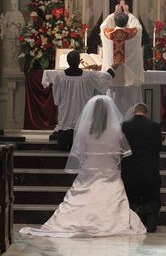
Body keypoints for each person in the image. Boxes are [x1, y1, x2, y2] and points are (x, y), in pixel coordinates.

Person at [19, 95, 146, 237]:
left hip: (89, 171)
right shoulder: (116, 130)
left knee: (81, 195)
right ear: (109, 111)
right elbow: (120, 153)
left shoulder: (84, 129)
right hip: (109, 172)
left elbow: (80, 152)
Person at [52, 50, 118, 151]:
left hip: (66, 116)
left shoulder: (59, 77)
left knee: (64, 147)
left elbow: (56, 99)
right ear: (79, 62)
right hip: (83, 116)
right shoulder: (87, 76)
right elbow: (104, 79)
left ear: (67, 61)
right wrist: (112, 69)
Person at [121, 103, 162, 232]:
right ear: (146, 113)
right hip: (150, 171)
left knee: (131, 197)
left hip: (130, 171)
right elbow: (158, 148)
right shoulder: (155, 127)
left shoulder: (124, 126)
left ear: (133, 112)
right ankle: (150, 218)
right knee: (152, 197)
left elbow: (122, 148)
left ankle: (135, 217)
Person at [100, 1, 144, 117]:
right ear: (127, 21)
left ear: (114, 21)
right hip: (130, 77)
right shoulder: (135, 33)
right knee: (131, 105)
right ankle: (130, 129)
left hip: (113, 78)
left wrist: (114, 13)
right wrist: (128, 12)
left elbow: (103, 25)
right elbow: (137, 25)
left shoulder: (107, 33)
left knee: (113, 106)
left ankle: (113, 128)